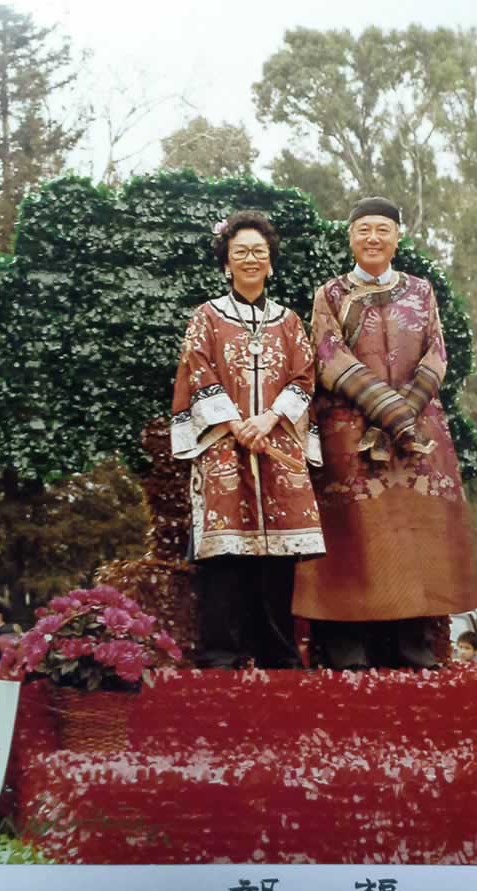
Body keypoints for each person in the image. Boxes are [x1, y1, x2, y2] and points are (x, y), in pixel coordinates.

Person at [293, 197, 477, 670]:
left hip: (415, 435)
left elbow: (437, 354)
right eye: (363, 230)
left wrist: (403, 413)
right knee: (353, 534)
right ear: (350, 237)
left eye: (382, 229)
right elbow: (328, 356)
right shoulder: (330, 294)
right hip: (351, 431)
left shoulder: (421, 291)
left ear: (398, 237)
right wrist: (388, 408)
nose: (372, 238)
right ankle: (346, 647)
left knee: (416, 535)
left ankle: (413, 644)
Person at [170, 210, 325, 669]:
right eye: (241, 252)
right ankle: (222, 651)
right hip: (223, 444)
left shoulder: (289, 321)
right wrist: (235, 423)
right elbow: (198, 369)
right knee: (226, 549)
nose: (251, 259)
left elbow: (304, 376)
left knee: (278, 552)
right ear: (227, 262)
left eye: (259, 251)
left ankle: (277, 652)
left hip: (276, 443)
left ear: (271, 261)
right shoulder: (206, 317)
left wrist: (270, 418)